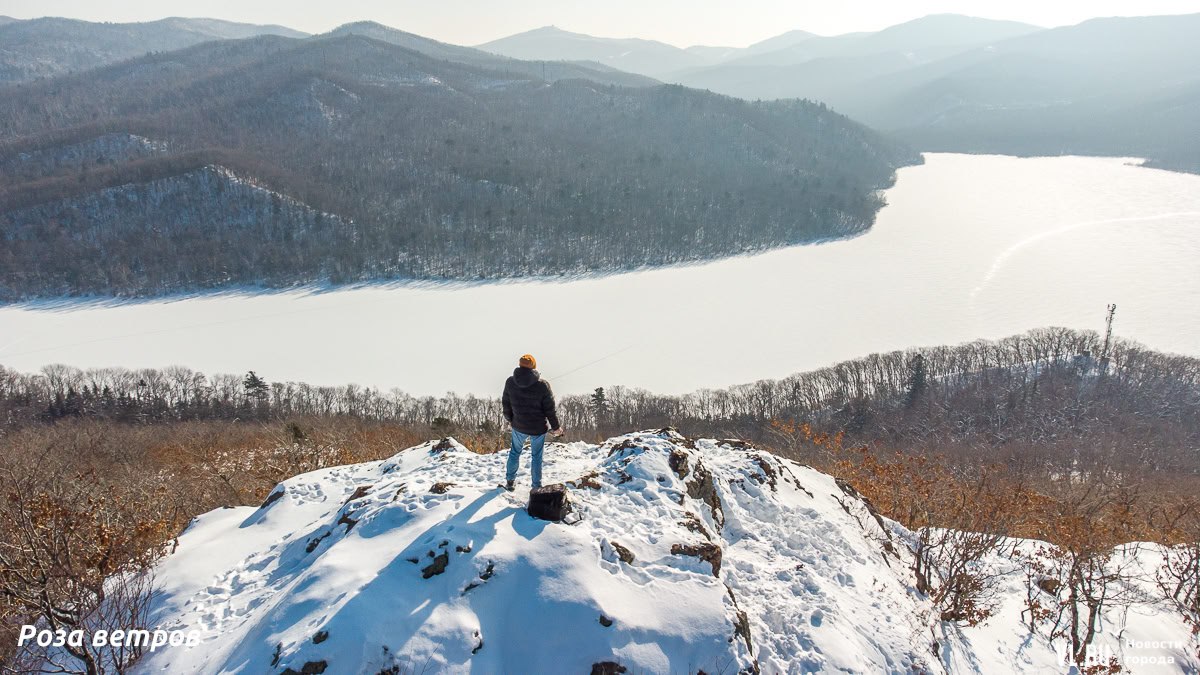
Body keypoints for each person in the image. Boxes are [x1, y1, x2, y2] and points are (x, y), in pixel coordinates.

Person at [501, 354, 563, 491]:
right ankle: (536, 487)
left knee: (515, 453)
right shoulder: (542, 385)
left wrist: (510, 420)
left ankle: (510, 482)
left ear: (519, 365)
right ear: (534, 366)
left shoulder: (510, 382)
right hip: (538, 428)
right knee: (536, 457)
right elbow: (550, 410)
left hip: (518, 425)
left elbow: (506, 404)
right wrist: (556, 427)